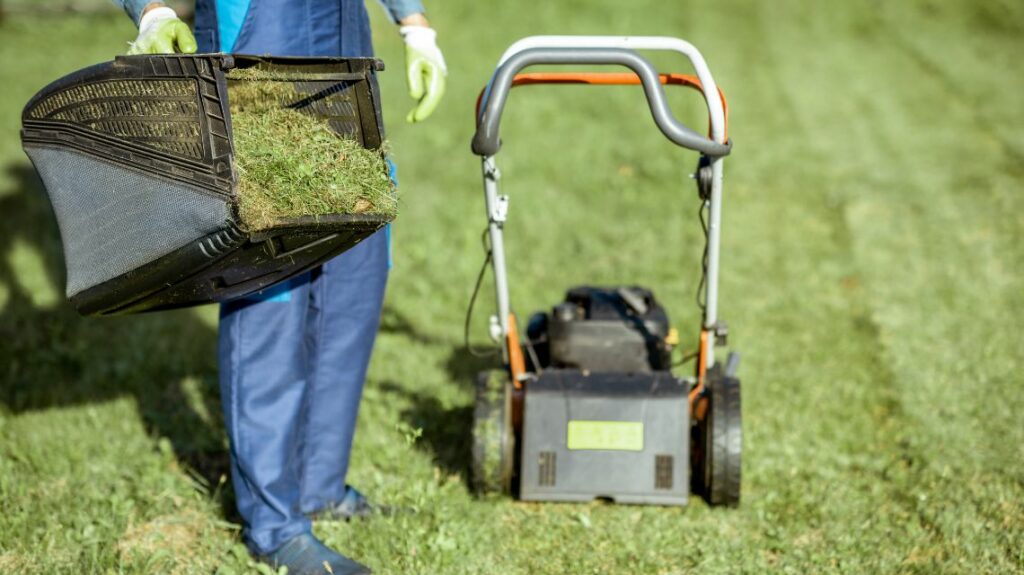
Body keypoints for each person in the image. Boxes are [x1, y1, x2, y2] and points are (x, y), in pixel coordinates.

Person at [112, 1, 447, 573]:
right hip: (257, 35)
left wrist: (415, 26)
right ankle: (274, 525)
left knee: (354, 271)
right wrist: (153, 10)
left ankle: (319, 486)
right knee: (270, 282)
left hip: (345, 43)